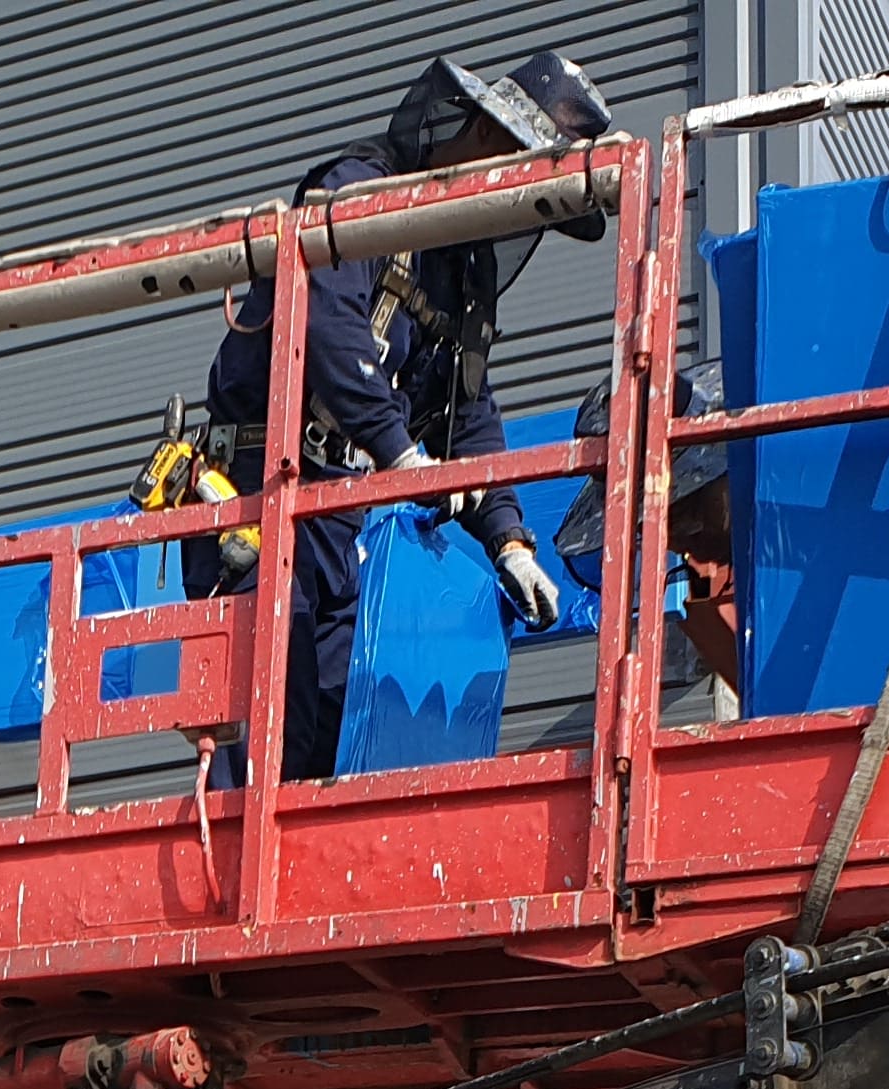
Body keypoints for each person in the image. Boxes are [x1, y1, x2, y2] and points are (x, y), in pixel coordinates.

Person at [191, 46, 615, 778]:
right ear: (488, 137)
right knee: (274, 725)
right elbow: (330, 332)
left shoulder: (463, 266)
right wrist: (403, 455)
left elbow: (467, 407)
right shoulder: (360, 193)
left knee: (336, 735)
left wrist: (509, 538)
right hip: (261, 494)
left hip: (342, 515)